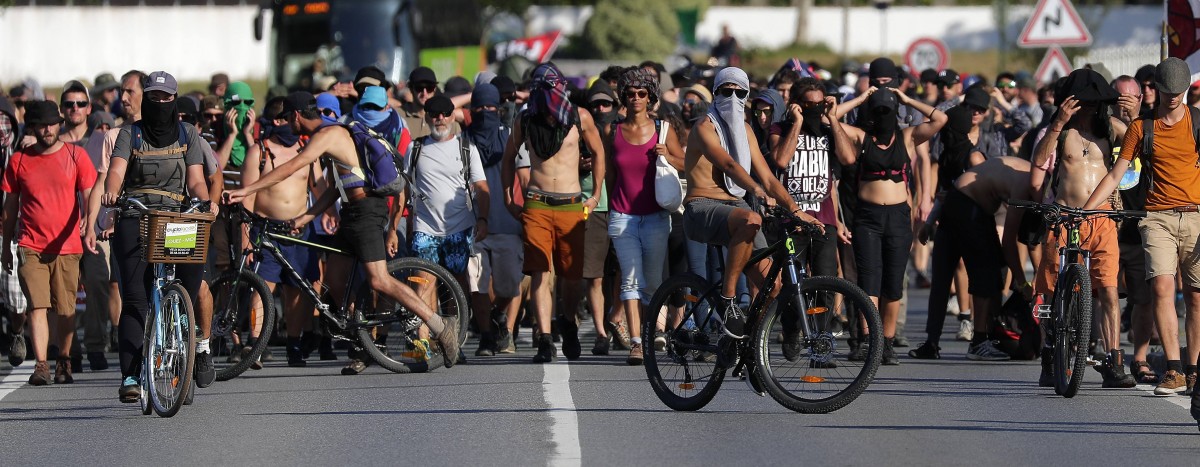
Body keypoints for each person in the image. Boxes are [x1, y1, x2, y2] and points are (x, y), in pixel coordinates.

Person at [223, 91, 461, 370]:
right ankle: (363, 343)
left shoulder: (328, 134)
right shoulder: (328, 136)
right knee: (335, 282)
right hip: (350, 213)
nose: (287, 124)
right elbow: (337, 187)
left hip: (367, 212)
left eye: (287, 118)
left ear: (296, 115)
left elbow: (292, 166)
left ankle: (439, 325)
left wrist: (246, 190)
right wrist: (306, 217)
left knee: (379, 280)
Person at [88, 71, 215, 401]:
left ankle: (189, 342)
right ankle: (131, 375)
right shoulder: (131, 133)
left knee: (189, 282)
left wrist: (203, 201)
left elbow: (196, 179)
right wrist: (112, 192)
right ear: (146, 99)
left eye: (165, 97)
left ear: (174, 99)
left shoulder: (187, 133)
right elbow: (116, 171)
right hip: (137, 214)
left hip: (176, 217)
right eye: (153, 97)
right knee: (135, 298)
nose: (159, 102)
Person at [682, 67, 818, 367]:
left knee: (774, 285)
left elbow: (768, 178)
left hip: (737, 207)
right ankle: (729, 300)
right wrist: (755, 189)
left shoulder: (745, 131)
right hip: (701, 206)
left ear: (746, 96)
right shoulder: (704, 126)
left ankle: (749, 345)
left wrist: (796, 210)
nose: (732, 98)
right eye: (725, 91)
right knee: (751, 219)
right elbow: (729, 165)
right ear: (715, 94)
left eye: (739, 92)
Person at [1085, 58, 1200, 396]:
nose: (1173, 97)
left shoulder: (1197, 121)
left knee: (1195, 297)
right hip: (1157, 218)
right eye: (1167, 91)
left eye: (1178, 91)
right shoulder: (1142, 127)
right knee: (1162, 288)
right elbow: (1116, 175)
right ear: (1158, 90)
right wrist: (1087, 210)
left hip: (1196, 215)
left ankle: (1194, 370)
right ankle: (1174, 369)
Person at [1032, 68, 1136, 388]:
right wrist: (1058, 124)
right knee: (1050, 288)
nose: (1090, 107)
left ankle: (1114, 360)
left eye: (1095, 101)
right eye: (1084, 101)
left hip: (1102, 218)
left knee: (1108, 289)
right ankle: (1050, 352)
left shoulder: (1112, 128)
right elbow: (1039, 160)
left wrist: (1134, 118)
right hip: (1065, 217)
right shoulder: (1060, 131)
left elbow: (1142, 148)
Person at [500, 62, 606, 363]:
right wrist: (508, 198)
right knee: (540, 272)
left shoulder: (579, 116)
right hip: (537, 203)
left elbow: (599, 152)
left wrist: (595, 195)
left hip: (572, 203)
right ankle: (545, 339)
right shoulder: (525, 119)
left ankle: (568, 323)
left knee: (572, 278)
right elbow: (508, 158)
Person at [832, 87, 946, 365]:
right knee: (868, 281)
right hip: (867, 218)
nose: (883, 116)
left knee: (893, 284)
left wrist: (907, 100)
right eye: (878, 111)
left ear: (896, 113)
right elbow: (830, 117)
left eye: (888, 111)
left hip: (897, 218)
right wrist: (860, 99)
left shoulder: (907, 137)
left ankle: (887, 342)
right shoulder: (861, 137)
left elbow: (940, 119)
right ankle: (868, 339)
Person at [1, 101, 96, 385]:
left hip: (67, 247)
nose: (48, 130)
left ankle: (64, 359)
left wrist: (89, 222)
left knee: (65, 309)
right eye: (42, 125)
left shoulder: (76, 155)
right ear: (32, 127)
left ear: (59, 125)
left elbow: (89, 193)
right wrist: (5, 247)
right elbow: (10, 208)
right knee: (37, 305)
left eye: (52, 124)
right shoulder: (19, 160)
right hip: (30, 245)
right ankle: (42, 364)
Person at [911, 156, 1033, 360]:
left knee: (942, 277)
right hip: (970, 208)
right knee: (987, 274)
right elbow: (1009, 243)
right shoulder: (1025, 184)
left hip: (955, 201)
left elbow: (951, 189)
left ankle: (931, 343)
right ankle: (979, 341)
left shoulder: (1020, 169)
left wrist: (930, 222)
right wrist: (1021, 281)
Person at [604, 67, 684, 365]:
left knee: (651, 282)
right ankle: (636, 343)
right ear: (623, 97)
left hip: (656, 217)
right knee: (629, 280)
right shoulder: (612, 131)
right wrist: (611, 209)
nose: (636, 98)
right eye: (630, 93)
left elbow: (686, 163)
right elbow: (610, 174)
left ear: (650, 97)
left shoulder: (663, 129)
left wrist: (667, 155)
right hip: (622, 215)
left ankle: (649, 335)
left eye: (642, 93)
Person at [401, 94, 488, 361]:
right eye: (434, 114)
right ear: (426, 117)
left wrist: (483, 220)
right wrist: (395, 226)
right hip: (425, 229)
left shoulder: (466, 148)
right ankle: (423, 344)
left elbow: (481, 186)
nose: (440, 118)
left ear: (453, 116)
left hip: (459, 229)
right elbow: (405, 191)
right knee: (423, 285)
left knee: (456, 289)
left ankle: (454, 343)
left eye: (445, 113)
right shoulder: (415, 148)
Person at [239, 97, 322, 368]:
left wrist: (328, 216)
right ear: (277, 121)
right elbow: (247, 198)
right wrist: (245, 238)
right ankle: (255, 344)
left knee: (297, 291)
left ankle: (294, 344)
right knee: (262, 288)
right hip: (266, 230)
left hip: (299, 231)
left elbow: (320, 189)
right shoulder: (259, 152)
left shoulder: (306, 150)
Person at [463, 83, 522, 357]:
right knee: (477, 286)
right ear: (471, 110)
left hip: (508, 223)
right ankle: (486, 337)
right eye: (479, 107)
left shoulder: (511, 137)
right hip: (472, 225)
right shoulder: (462, 141)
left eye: (490, 107)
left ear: (499, 109)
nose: (485, 112)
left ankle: (498, 314)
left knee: (510, 285)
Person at [58, 81, 92, 147]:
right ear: (61, 108)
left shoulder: (102, 141)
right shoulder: (52, 144)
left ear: (89, 108)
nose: (75, 108)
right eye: (69, 104)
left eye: (81, 104)